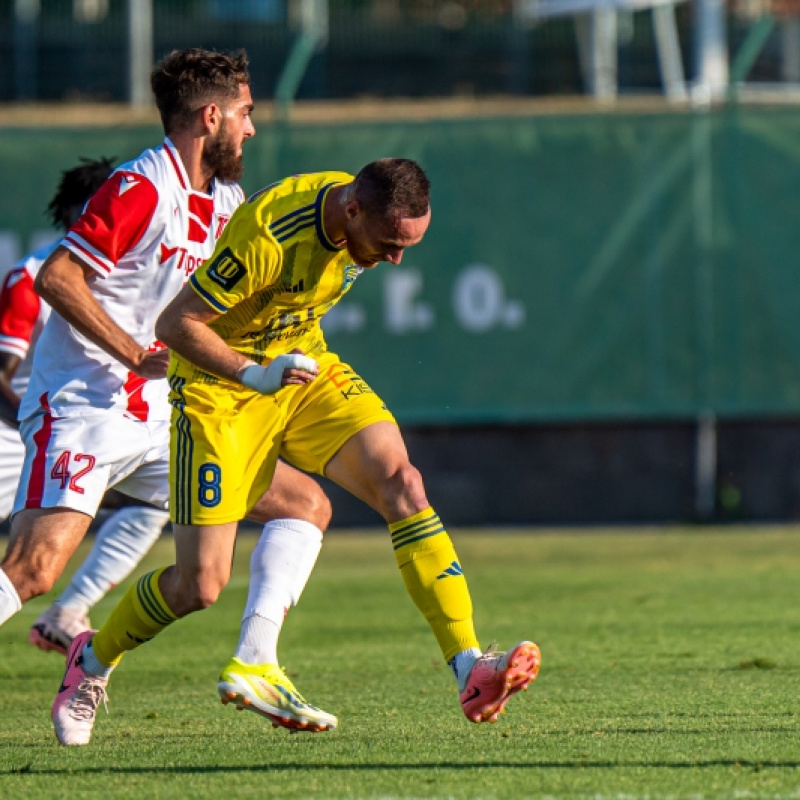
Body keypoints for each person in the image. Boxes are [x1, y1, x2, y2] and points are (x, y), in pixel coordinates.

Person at [53, 158, 541, 747]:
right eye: (389, 244)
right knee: (199, 584)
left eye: (407, 245)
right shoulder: (270, 235)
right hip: (220, 390)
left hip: (302, 369)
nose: (396, 260)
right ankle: (92, 660)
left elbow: (332, 280)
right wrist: (252, 374)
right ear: (354, 211)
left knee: (402, 483)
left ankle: (469, 667)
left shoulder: (361, 213)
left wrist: (277, 370)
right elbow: (176, 324)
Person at [0, 48, 336, 741]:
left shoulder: (231, 203)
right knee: (33, 570)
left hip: (164, 417)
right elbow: (57, 278)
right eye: (243, 114)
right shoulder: (140, 186)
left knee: (301, 506)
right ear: (210, 116)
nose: (250, 130)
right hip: (85, 410)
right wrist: (133, 353)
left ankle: (247, 662)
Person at [0, 157, 172, 656]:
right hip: (30, 433)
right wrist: (36, 440)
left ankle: (69, 612)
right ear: (81, 210)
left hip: (104, 428)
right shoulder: (34, 274)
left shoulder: (139, 276)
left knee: (159, 501)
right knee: (29, 568)